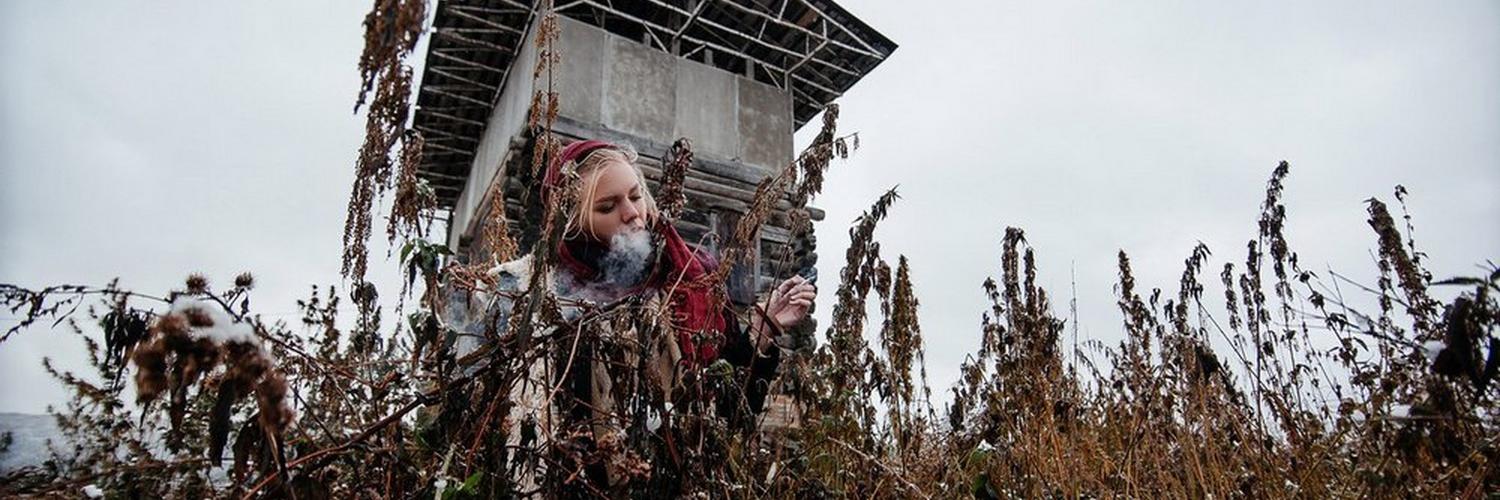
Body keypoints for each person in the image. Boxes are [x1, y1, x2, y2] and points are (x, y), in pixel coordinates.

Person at [441, 139, 816, 489]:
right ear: (571, 221)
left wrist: (764, 328)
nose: (632, 213)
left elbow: (728, 413)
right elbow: (476, 423)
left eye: (636, 196)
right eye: (607, 207)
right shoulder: (522, 293)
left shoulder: (687, 280)